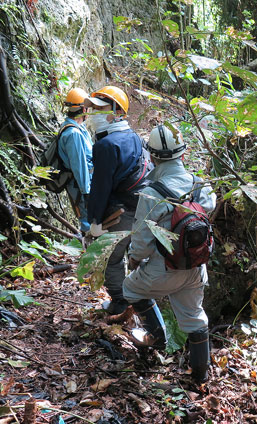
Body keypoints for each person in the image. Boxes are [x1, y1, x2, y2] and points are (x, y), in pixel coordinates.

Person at [122, 124, 216, 383]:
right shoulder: (201, 187)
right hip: (197, 267)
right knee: (195, 318)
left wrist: (134, 260)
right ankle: (200, 377)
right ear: (183, 154)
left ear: (151, 157)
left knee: (129, 289)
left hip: (163, 270)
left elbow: (140, 244)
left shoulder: (152, 194)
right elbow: (209, 208)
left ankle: (157, 338)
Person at [84, 86, 151, 314]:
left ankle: (121, 303)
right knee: (136, 255)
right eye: (92, 108)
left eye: (99, 109)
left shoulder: (106, 145)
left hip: (121, 211)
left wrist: (94, 220)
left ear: (117, 112)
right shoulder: (134, 136)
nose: (93, 113)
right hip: (143, 208)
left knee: (111, 259)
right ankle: (142, 301)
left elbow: (100, 187)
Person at [59, 88, 94, 232]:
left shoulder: (79, 128)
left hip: (84, 183)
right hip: (80, 187)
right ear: (83, 109)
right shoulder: (73, 134)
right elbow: (79, 167)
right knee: (87, 222)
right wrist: (87, 193)